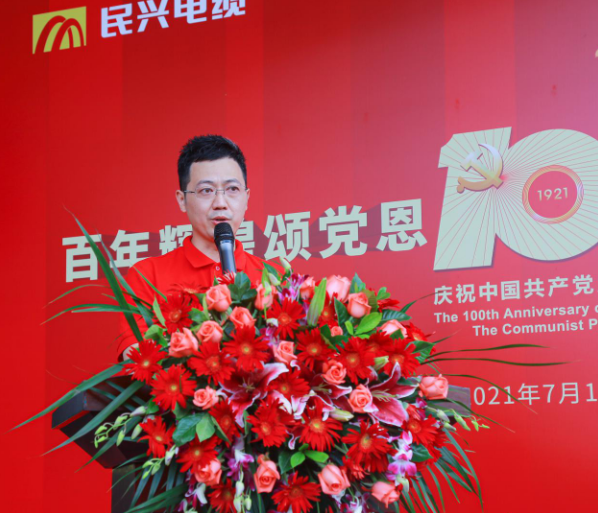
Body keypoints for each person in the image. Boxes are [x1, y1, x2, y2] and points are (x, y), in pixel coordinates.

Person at [117, 135, 283, 360]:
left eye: (232, 189)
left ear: (246, 198)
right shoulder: (146, 276)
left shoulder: (274, 279)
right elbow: (135, 358)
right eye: (206, 190)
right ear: (182, 200)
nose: (220, 203)